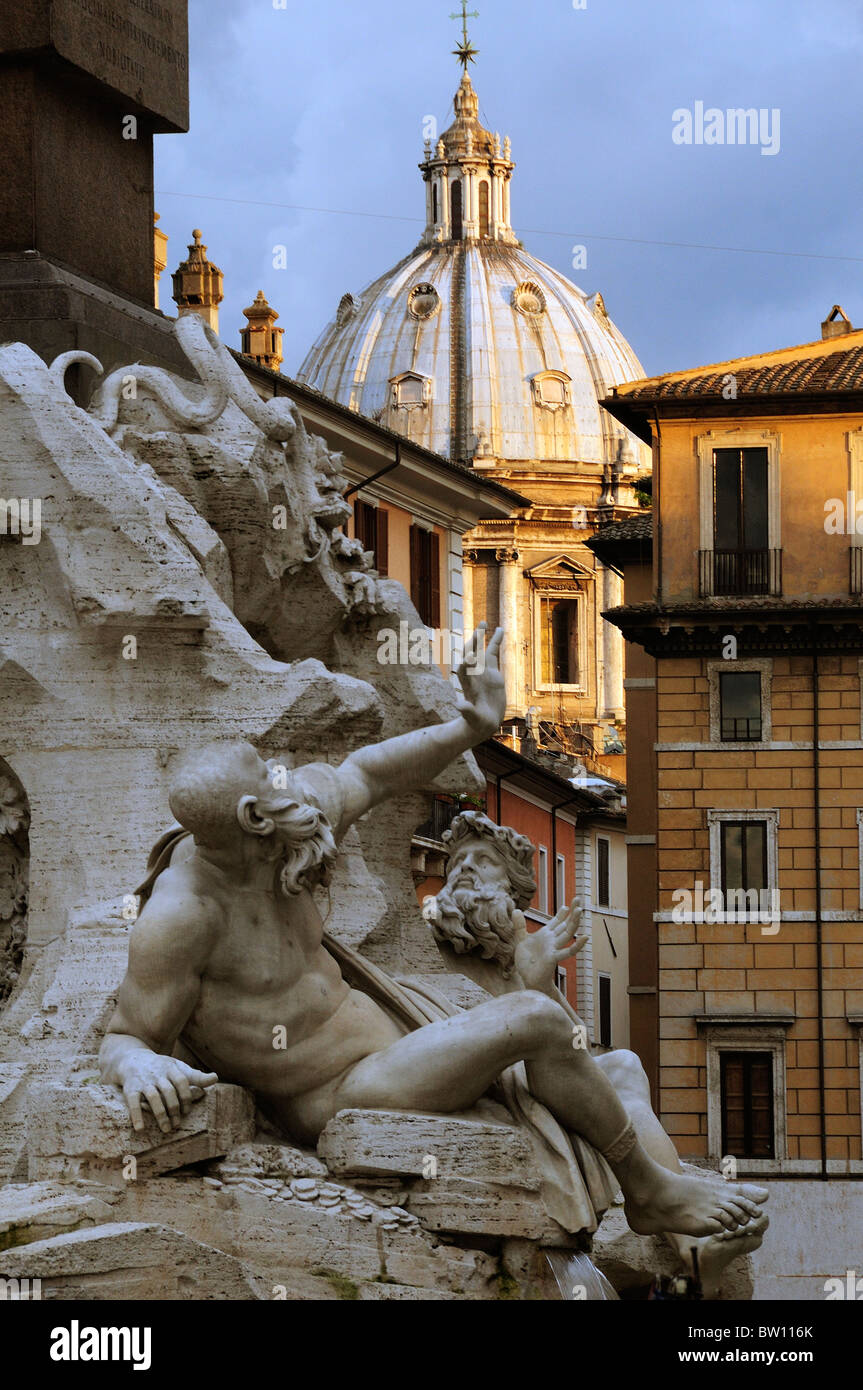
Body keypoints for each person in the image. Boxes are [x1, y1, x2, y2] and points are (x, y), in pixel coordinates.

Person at [101, 625, 767, 1243]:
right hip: (344, 1091)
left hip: (405, 1032)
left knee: (617, 1066)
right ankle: (648, 1191)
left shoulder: (280, 825)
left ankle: (686, 1259)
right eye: (269, 778)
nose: (292, 784)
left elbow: (369, 773)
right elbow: (129, 1033)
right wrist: (137, 1062)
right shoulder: (183, 915)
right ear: (252, 818)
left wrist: (469, 725)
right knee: (535, 1016)